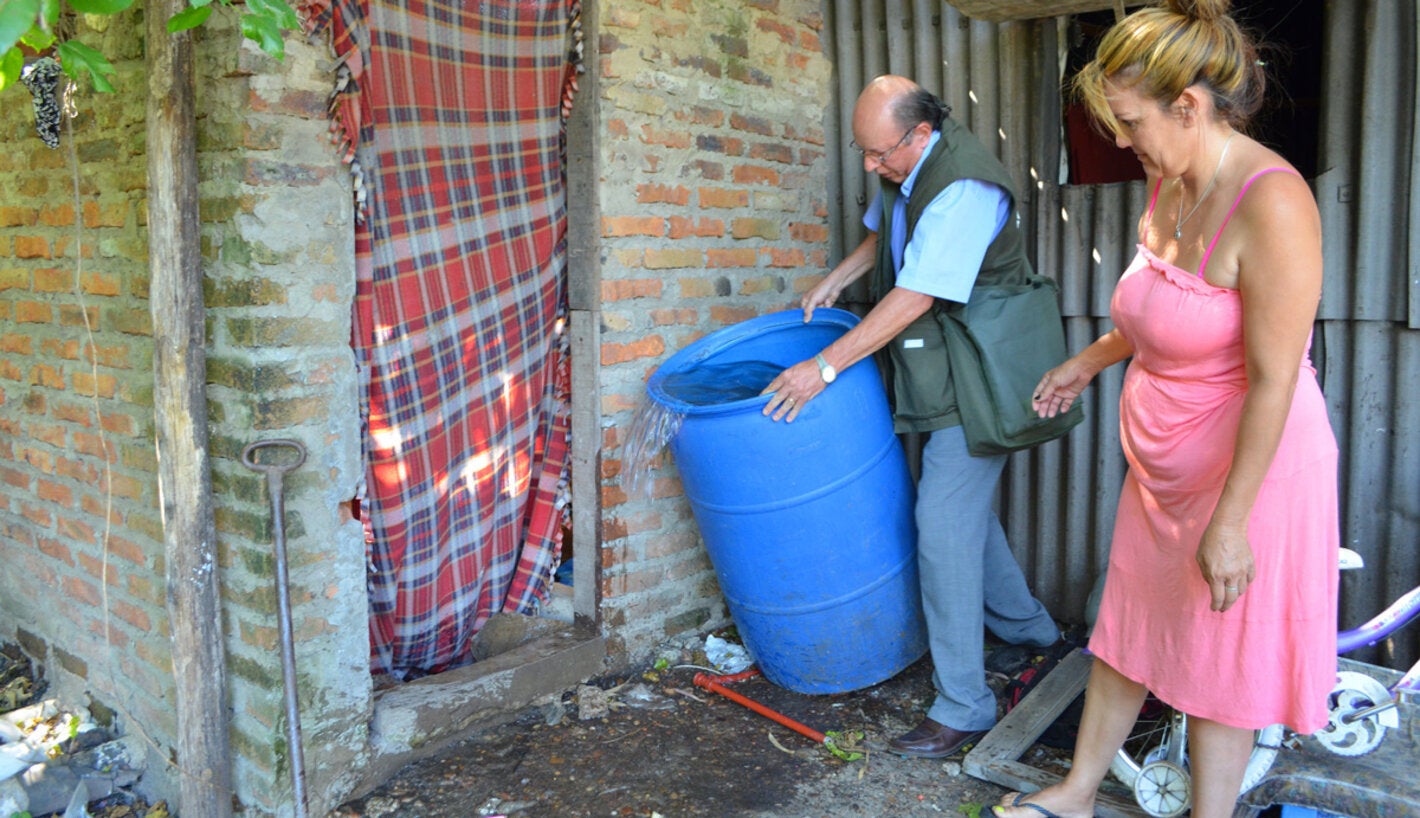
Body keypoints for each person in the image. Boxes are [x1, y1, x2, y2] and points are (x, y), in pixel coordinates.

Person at [993, 2, 1339, 817]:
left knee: (1224, 662)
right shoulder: (1170, 177)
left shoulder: (1274, 204)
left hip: (1250, 476)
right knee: (1129, 629)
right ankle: (1078, 791)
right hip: (1165, 477)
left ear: (1189, 105)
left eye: (1130, 120)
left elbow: (1274, 379)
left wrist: (1231, 522)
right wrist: (1087, 360)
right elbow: (1160, 312)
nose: (1120, 140)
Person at [760, 74, 1061, 759]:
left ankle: (964, 706)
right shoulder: (909, 162)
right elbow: (888, 230)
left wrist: (824, 368)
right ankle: (1034, 635)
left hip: (984, 366)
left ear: (921, 134)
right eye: (863, 152)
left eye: (878, 153)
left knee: (942, 526)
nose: (870, 165)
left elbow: (917, 291)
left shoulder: (962, 189)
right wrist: (841, 276)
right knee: (961, 511)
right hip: (947, 363)